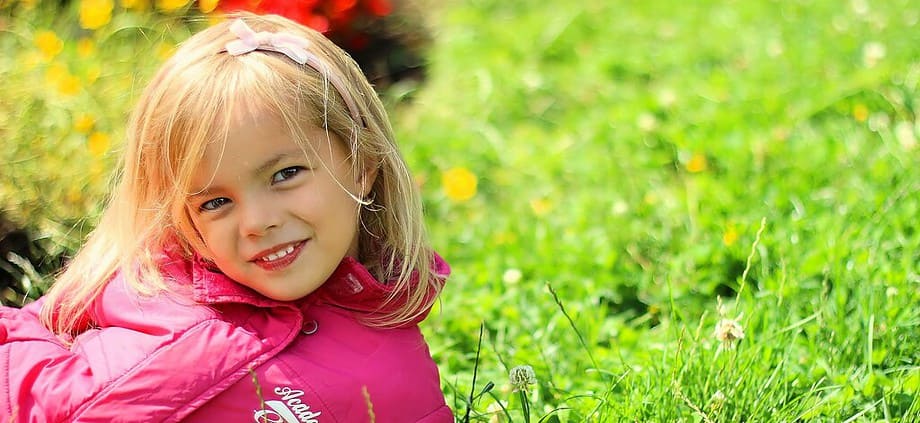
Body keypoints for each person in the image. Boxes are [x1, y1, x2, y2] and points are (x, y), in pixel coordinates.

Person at [0, 12, 452, 422]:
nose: (256, 221)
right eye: (214, 203)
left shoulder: (394, 381)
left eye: (285, 174)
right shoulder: (155, 286)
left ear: (362, 165)